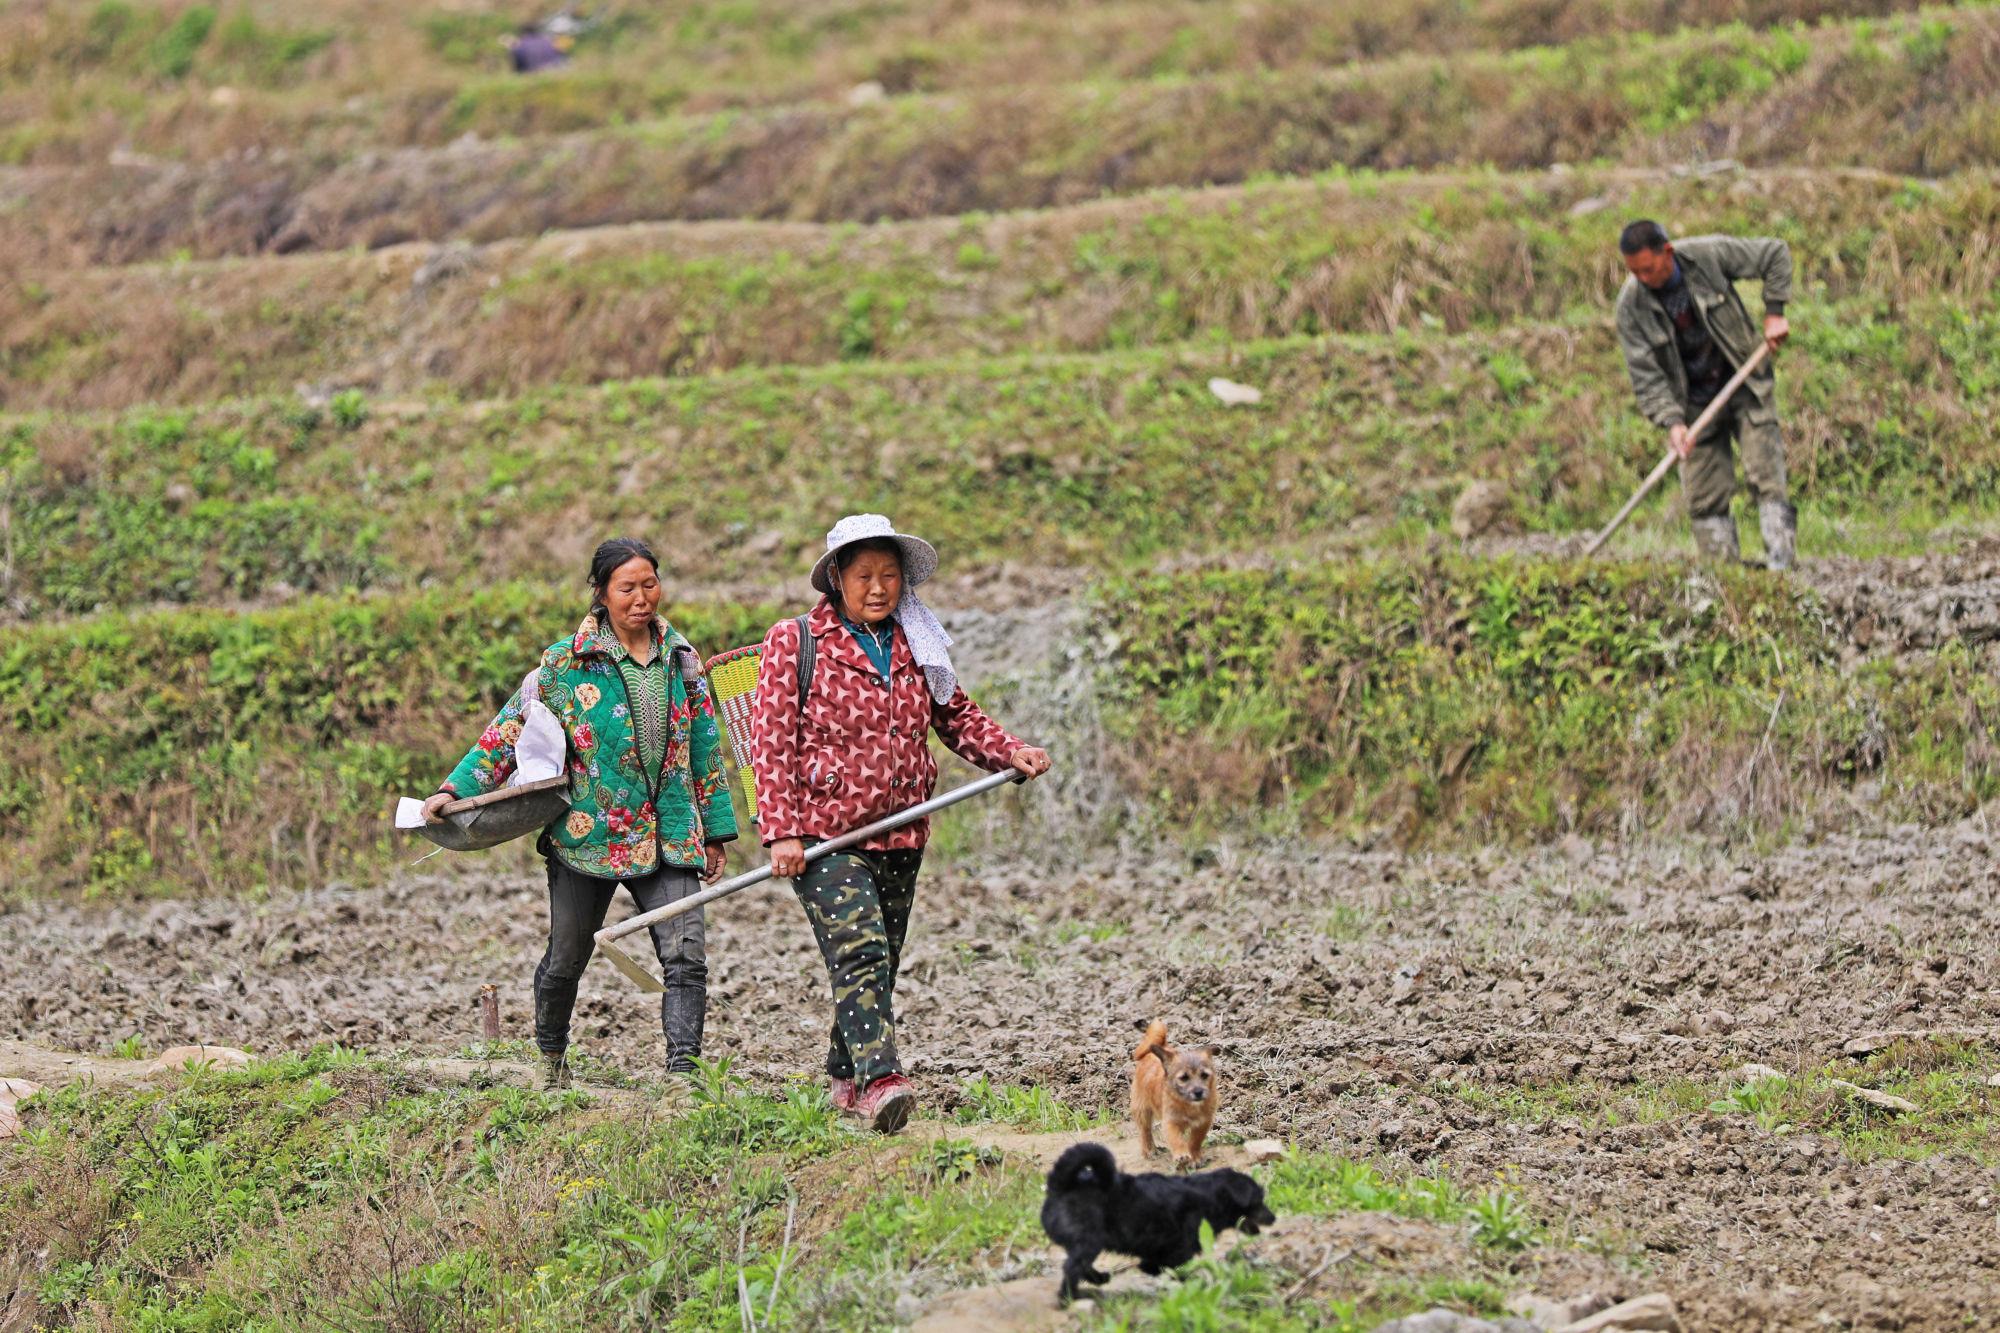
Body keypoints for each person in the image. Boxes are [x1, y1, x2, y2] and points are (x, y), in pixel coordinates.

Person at [747, 514, 1052, 1133]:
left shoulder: (919, 642)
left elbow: (957, 717)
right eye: (864, 576)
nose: (879, 588)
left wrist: (1009, 751)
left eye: (889, 576)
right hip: (826, 834)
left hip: (903, 828)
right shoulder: (795, 641)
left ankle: (844, 1077)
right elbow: (771, 743)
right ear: (836, 578)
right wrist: (782, 830)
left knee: (878, 957)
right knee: (858, 947)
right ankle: (882, 1080)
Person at [423, 538, 736, 1087]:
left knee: (686, 955)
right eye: (627, 589)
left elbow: (706, 750)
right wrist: (454, 789)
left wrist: (715, 832)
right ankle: (551, 1059)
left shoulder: (682, 660)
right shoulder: (563, 665)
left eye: (650, 585)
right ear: (601, 594)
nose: (642, 599)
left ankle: (683, 1076)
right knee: (567, 956)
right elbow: (509, 732)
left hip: (670, 831)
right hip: (589, 835)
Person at [1614, 220, 1796, 569]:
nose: (1642, 279)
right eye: (1634, 272)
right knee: (1704, 496)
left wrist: (1775, 314)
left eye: (1648, 269)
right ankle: (1726, 582)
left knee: (1766, 477)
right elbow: (1646, 376)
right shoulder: (1631, 307)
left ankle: (1783, 571)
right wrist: (1673, 422)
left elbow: (1774, 253)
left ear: (1667, 252)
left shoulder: (1706, 256)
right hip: (1693, 404)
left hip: (1744, 384)